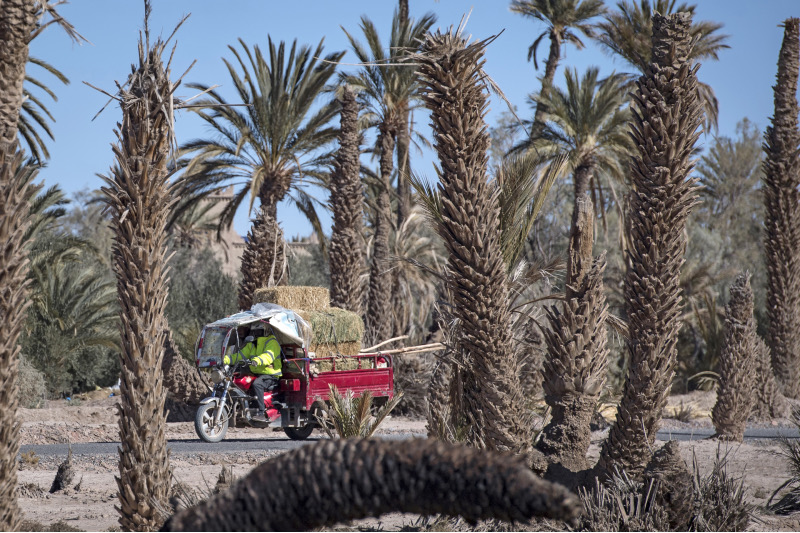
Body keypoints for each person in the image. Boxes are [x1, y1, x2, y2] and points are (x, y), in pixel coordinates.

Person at [224, 326, 282, 423]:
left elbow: (268, 356)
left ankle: (261, 413)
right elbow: (239, 355)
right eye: (255, 330)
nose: (256, 332)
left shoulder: (272, 342)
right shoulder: (252, 344)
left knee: (257, 384)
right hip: (257, 373)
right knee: (239, 381)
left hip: (272, 375)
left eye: (259, 330)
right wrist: (225, 359)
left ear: (265, 331)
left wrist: (257, 360)